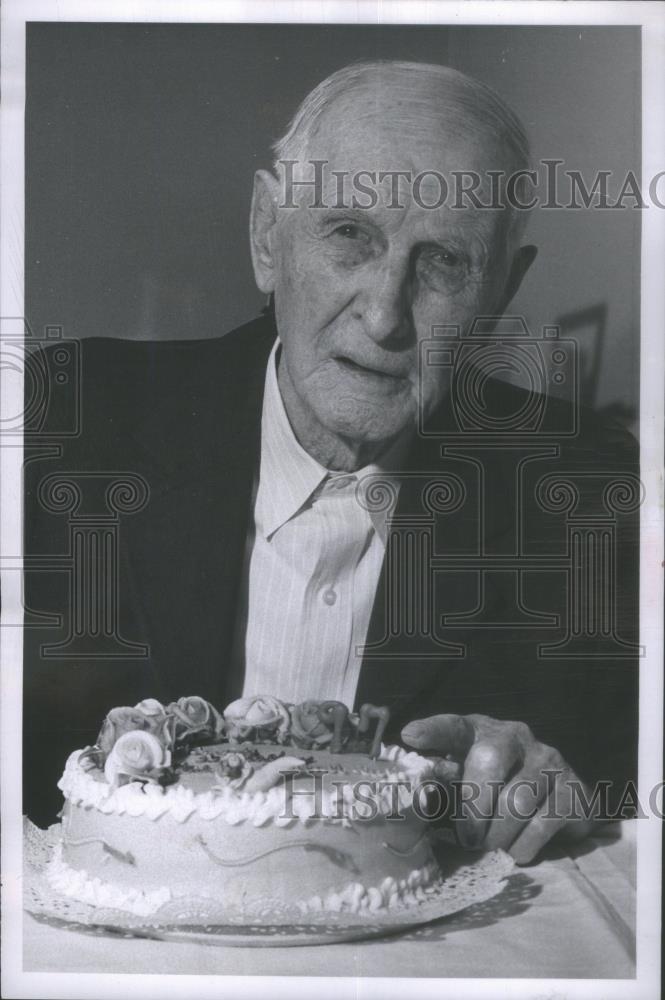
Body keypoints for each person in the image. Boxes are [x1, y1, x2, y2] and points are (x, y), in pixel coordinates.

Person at [23, 61, 638, 861]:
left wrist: (560, 782)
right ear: (265, 236)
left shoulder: (584, 485)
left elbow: (613, 770)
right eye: (350, 235)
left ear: (497, 298)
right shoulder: (67, 424)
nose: (384, 316)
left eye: (443, 263)